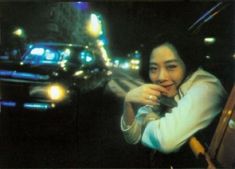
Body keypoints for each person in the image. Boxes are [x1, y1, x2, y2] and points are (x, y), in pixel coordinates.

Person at [120, 31, 227, 168]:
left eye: (171, 66)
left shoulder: (207, 88)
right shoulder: (166, 93)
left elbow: (165, 141)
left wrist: (148, 120)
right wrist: (128, 104)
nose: (161, 77)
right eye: (154, 68)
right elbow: (132, 138)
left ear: (187, 63)